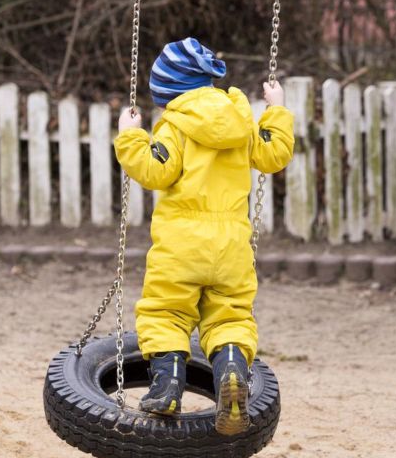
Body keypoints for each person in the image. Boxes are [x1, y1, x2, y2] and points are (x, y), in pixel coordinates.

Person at [113, 37, 294, 435]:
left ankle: (167, 389)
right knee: (229, 312)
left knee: (166, 313)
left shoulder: (174, 126)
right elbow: (274, 154)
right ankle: (231, 368)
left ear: (169, 94)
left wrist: (130, 135)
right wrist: (276, 108)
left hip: (181, 244)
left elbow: (153, 171)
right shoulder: (242, 122)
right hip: (231, 244)